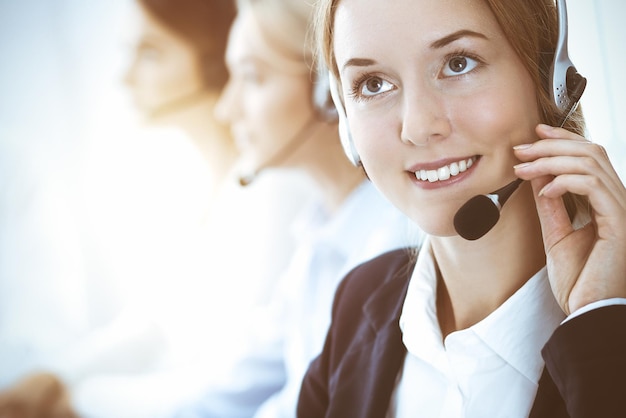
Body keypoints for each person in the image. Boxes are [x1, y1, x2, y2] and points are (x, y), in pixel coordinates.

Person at [298, 0, 626, 416]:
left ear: (550, 76)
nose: (418, 127)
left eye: (458, 63)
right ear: (347, 122)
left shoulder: (615, 327)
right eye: (373, 84)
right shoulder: (358, 301)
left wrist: (602, 324)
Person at [0, 1, 310, 417]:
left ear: (217, 65)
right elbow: (157, 323)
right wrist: (52, 377)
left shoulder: (277, 195)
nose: (126, 78)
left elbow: (234, 375)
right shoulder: (212, 189)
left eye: (150, 54)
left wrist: (79, 404)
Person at [175, 0, 418, 416]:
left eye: (252, 78)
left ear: (329, 91)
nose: (226, 108)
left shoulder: (393, 244)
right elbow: (230, 386)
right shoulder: (319, 237)